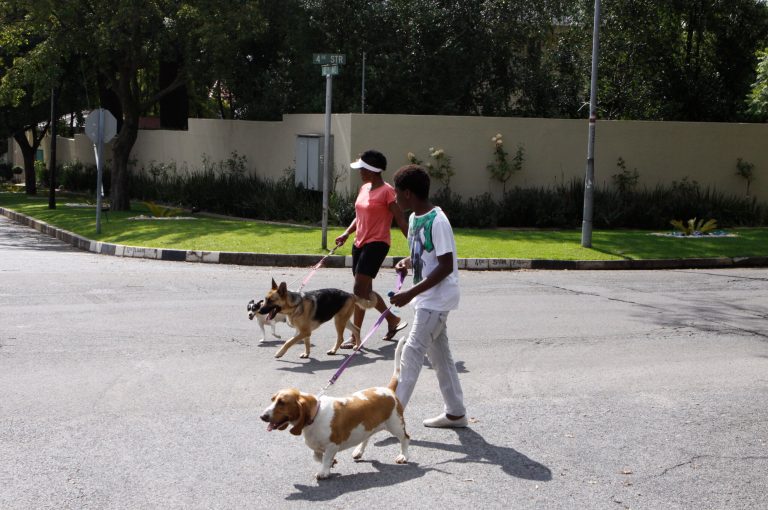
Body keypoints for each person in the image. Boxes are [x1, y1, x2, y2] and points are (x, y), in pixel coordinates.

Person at [389, 164, 467, 428]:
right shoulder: (413, 219)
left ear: (408, 193)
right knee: (440, 357)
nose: (395, 199)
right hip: (426, 299)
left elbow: (445, 265)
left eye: (397, 193)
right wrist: (407, 262)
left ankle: (391, 418)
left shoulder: (438, 220)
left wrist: (411, 291)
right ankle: (456, 412)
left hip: (437, 299)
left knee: (411, 353)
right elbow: (424, 256)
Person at [335, 149, 409, 349]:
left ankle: (354, 337)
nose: (360, 172)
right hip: (359, 243)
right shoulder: (364, 188)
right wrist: (346, 233)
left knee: (359, 289)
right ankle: (392, 320)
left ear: (372, 170)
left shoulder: (387, 191)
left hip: (377, 243)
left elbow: (400, 218)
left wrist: (415, 241)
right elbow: (359, 216)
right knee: (365, 290)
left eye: (362, 168)